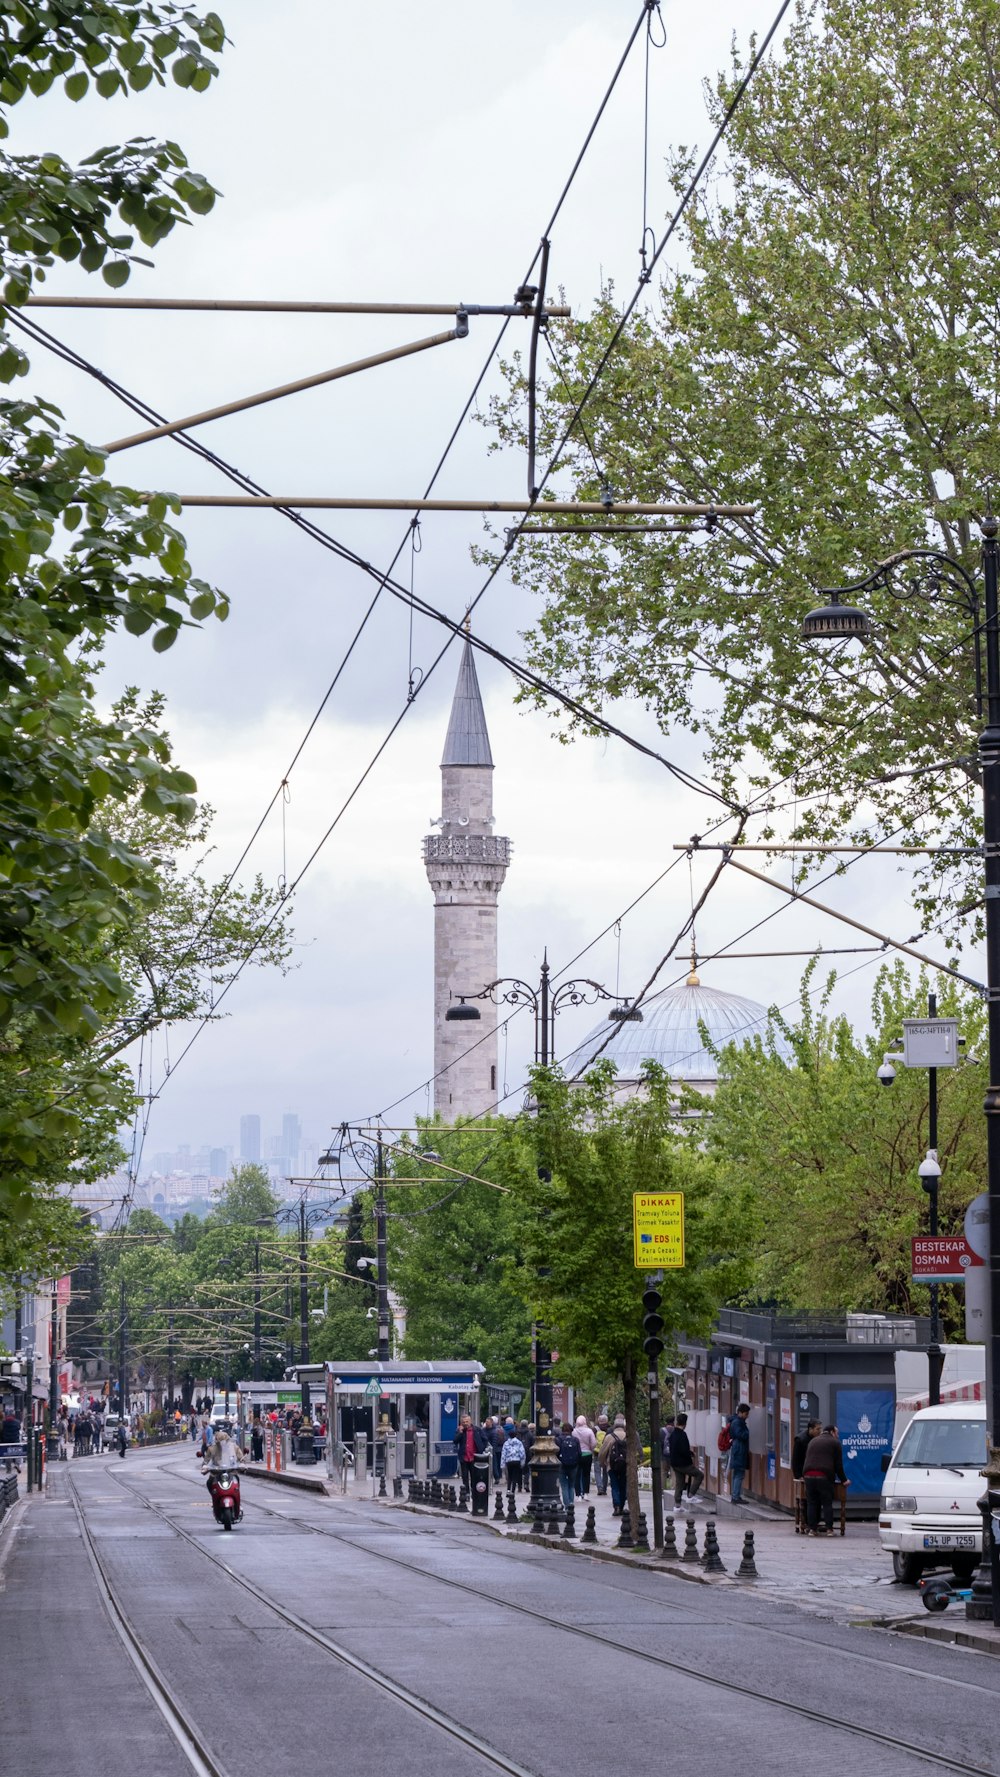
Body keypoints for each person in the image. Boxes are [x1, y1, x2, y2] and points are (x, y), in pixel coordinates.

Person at [801, 1423, 848, 1536]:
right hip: (824, 1475)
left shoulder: (813, 1441)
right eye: (837, 1433)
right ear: (832, 1432)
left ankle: (812, 1529)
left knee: (812, 1502)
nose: (837, 1435)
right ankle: (829, 1529)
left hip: (808, 1474)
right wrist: (844, 1480)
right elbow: (838, 1465)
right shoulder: (835, 1443)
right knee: (827, 1502)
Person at [668, 1413, 704, 1507]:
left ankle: (677, 1504)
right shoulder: (682, 1435)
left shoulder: (673, 1434)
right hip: (683, 1463)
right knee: (699, 1475)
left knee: (680, 1482)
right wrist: (690, 1455)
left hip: (674, 1463)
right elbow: (684, 1450)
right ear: (685, 1423)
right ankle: (691, 1495)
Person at [600, 1414, 630, 1516]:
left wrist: (603, 1463)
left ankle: (616, 1506)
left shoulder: (609, 1437)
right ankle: (621, 1506)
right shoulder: (628, 1436)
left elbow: (602, 1452)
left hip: (612, 1465)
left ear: (614, 1426)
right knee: (623, 1485)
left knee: (615, 1485)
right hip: (626, 1465)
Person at [201, 1424, 245, 1495]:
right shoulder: (212, 1449)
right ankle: (214, 1498)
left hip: (231, 1472)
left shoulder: (234, 1447)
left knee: (237, 1481)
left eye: (225, 1441)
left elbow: (241, 1457)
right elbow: (206, 1460)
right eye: (220, 1442)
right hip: (216, 1473)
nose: (223, 1444)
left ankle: (237, 1499)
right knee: (209, 1483)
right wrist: (205, 1466)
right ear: (217, 1442)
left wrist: (242, 1463)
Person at [453, 1413, 488, 1493]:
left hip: (474, 1457)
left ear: (470, 1421)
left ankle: (474, 1491)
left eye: (467, 1422)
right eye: (463, 1422)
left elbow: (485, 1439)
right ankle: (466, 1492)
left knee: (474, 1476)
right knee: (464, 1476)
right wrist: (460, 1433)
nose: (465, 1423)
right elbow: (455, 1441)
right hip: (464, 1457)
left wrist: (481, 1449)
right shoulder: (459, 1430)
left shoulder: (477, 1430)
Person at [726, 1402, 751, 1505]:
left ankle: (735, 1495)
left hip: (738, 1449)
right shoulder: (737, 1422)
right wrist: (748, 1432)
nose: (747, 1416)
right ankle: (735, 1496)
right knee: (739, 1474)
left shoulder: (736, 1421)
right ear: (740, 1413)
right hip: (739, 1450)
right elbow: (741, 1435)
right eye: (746, 1414)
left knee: (737, 1473)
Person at [556, 1421, 581, 1510]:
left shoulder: (558, 1439)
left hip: (562, 1465)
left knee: (564, 1486)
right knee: (571, 1485)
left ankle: (566, 1506)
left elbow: (557, 1453)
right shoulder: (575, 1440)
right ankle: (571, 1504)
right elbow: (579, 1453)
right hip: (573, 1465)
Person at [572, 1414, 597, 1496]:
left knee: (577, 1475)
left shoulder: (574, 1431)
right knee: (586, 1474)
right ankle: (586, 1493)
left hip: (577, 1454)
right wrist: (590, 1448)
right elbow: (594, 1443)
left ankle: (578, 1494)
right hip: (587, 1454)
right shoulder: (589, 1431)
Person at [792, 1418, 822, 1482]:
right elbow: (795, 1459)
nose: (820, 1431)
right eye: (818, 1429)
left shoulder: (819, 1438)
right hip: (804, 1473)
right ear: (810, 1429)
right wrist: (798, 1476)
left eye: (820, 1428)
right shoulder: (800, 1440)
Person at [500, 1426, 526, 1493]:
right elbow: (522, 1453)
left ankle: (508, 1489)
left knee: (510, 1476)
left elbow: (503, 1454)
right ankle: (513, 1490)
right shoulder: (519, 1443)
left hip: (509, 1461)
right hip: (517, 1461)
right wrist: (522, 1462)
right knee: (515, 1476)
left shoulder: (506, 1443)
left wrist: (502, 1464)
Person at [594, 1413, 610, 1496]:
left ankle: (599, 1487)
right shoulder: (609, 1429)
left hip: (597, 1452)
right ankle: (604, 1489)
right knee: (605, 1471)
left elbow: (592, 1441)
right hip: (606, 1452)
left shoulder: (595, 1429)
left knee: (597, 1471)